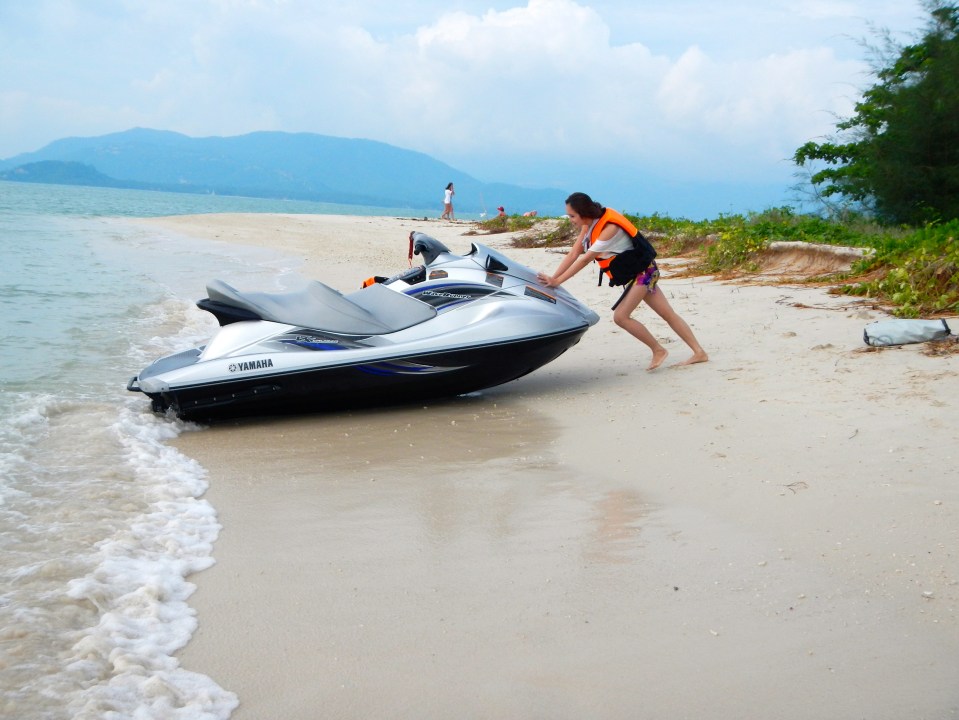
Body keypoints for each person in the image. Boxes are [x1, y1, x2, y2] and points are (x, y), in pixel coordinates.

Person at [537, 191, 708, 371]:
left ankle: (658, 350)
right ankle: (699, 353)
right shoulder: (588, 226)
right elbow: (574, 253)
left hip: (644, 273)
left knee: (621, 317)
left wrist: (558, 282)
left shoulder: (608, 228)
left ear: (583, 213)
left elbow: (586, 259)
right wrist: (554, 278)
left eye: (572, 215)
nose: (570, 219)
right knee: (667, 313)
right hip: (638, 273)